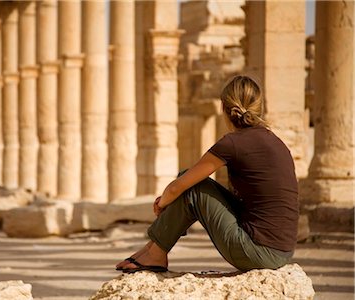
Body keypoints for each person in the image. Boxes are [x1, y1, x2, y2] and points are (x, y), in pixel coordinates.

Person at [116, 75, 299, 273]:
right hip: (282, 250)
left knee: (192, 186)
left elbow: (180, 186)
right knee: (192, 184)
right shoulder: (275, 141)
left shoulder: (232, 143)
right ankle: (152, 249)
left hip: (258, 252)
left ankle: (156, 253)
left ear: (224, 109)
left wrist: (162, 203)